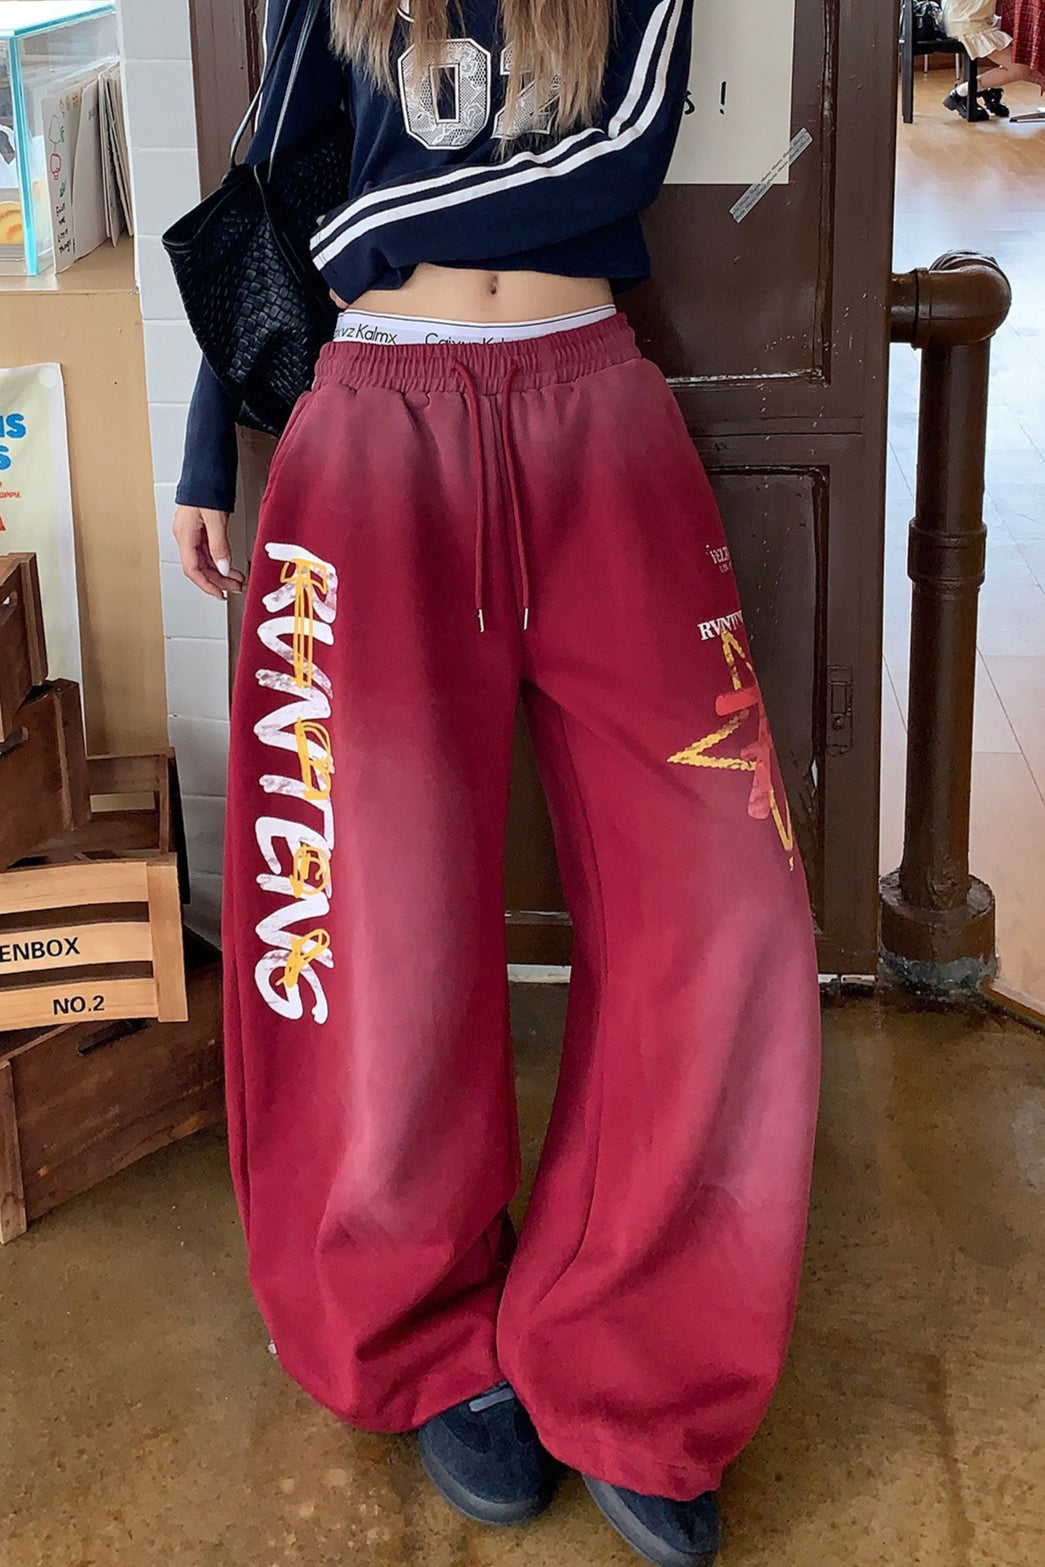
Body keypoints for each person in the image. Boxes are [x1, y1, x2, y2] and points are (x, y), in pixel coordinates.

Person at [172, 1, 822, 1563]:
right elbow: (274, 186)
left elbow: (625, 150)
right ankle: (424, 1326)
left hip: (590, 409)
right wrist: (208, 443)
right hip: (369, 431)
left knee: (722, 905)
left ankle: (636, 1349)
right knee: (370, 920)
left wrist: (371, 230)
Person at [940, 1, 1035, 118]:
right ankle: (960, 93)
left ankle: (989, 87)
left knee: (1026, 28)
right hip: (966, 20)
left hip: (976, 17)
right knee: (1019, 69)